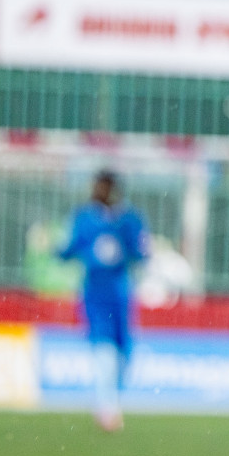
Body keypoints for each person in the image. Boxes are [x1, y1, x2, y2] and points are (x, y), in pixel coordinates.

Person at [58, 169, 149, 432]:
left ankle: (111, 400)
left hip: (120, 294)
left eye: (104, 187)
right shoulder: (83, 218)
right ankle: (106, 408)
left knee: (124, 355)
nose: (99, 192)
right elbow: (67, 249)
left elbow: (141, 252)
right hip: (94, 294)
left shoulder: (129, 219)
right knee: (103, 350)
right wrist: (55, 249)